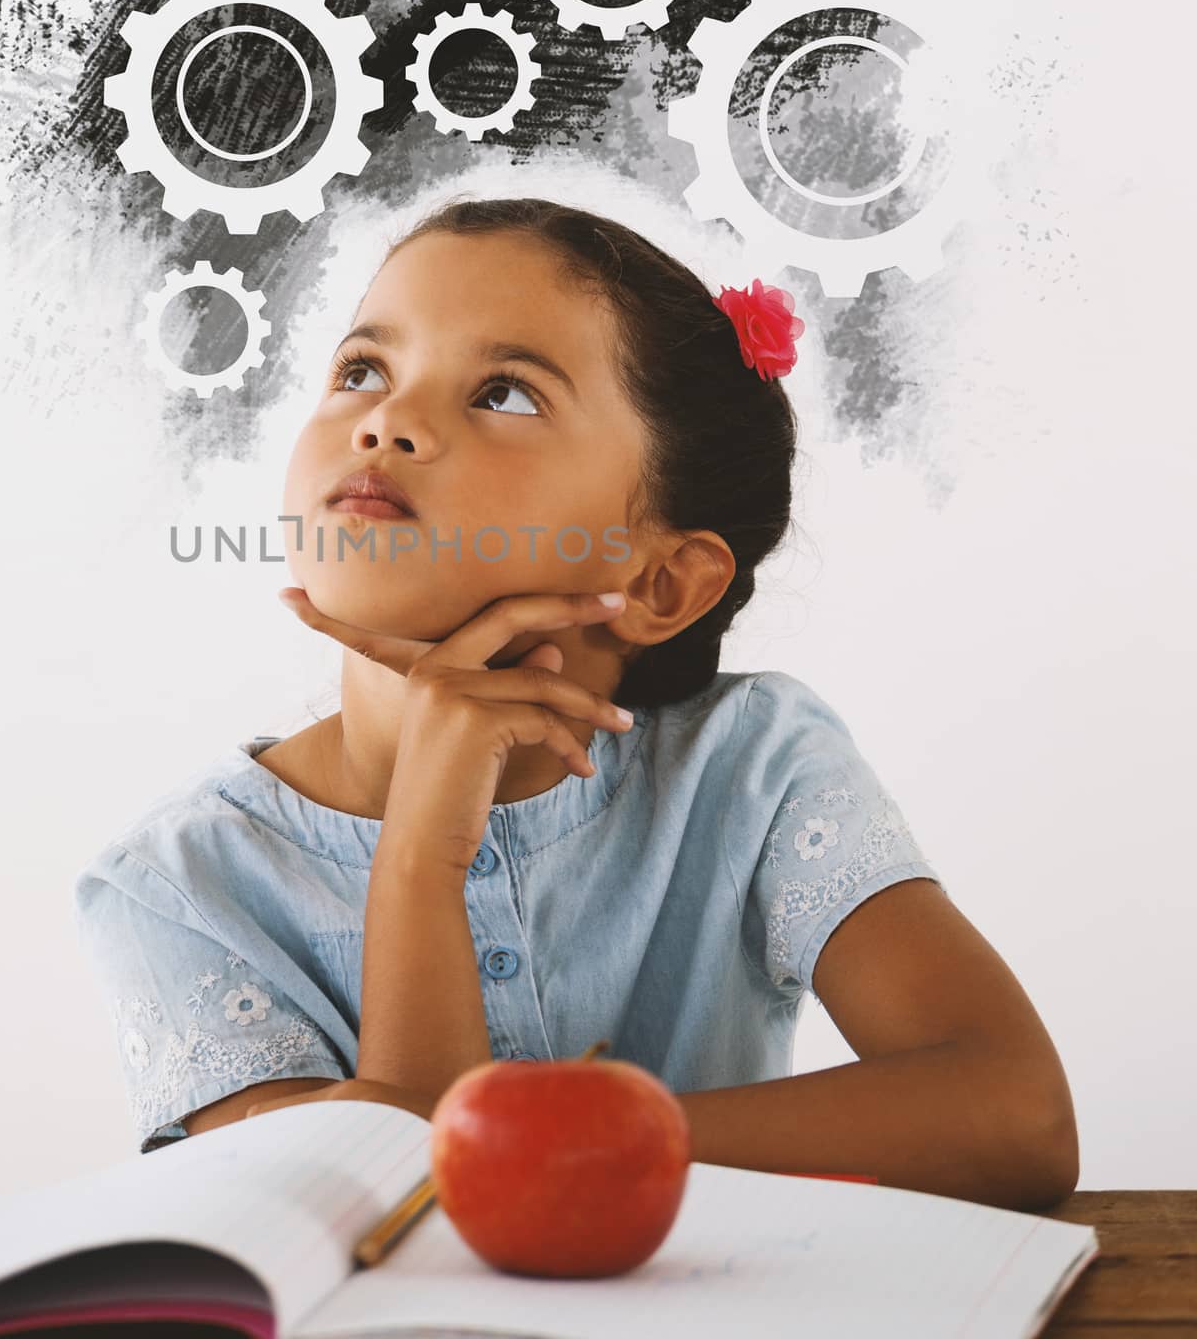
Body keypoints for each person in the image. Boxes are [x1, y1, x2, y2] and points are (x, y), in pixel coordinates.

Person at [73, 195, 1079, 1211]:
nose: (385, 421)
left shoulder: (753, 765)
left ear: (660, 584)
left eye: (503, 394)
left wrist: (578, 1134)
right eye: (361, 370)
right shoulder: (175, 886)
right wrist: (421, 850)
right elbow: (394, 1217)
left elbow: (1016, 1116)